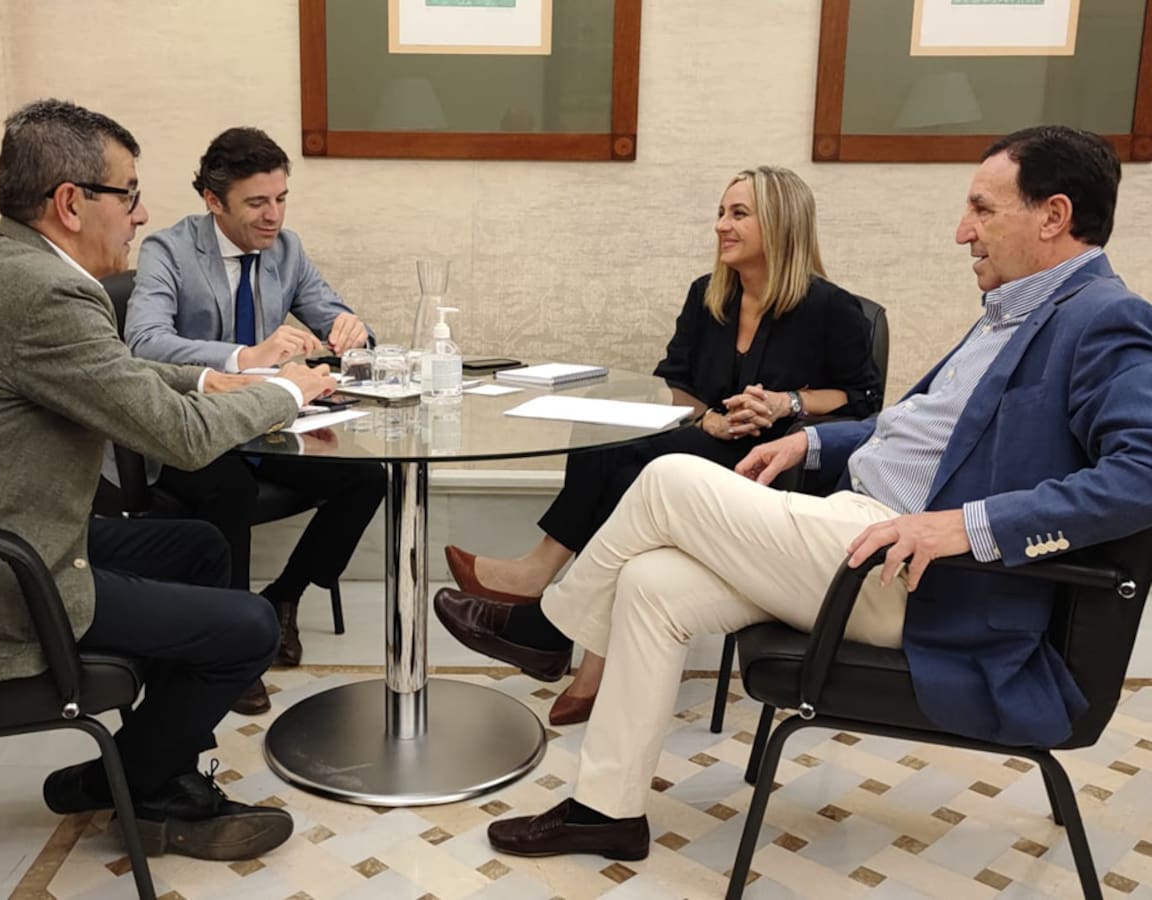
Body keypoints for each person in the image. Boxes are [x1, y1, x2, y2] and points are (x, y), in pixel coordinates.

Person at [433, 125, 1152, 860]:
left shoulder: (1103, 317)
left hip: (921, 577)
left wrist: (963, 527)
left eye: (982, 209)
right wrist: (810, 441)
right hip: (852, 528)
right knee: (650, 584)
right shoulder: (1012, 313)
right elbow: (910, 429)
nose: (961, 231)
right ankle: (606, 812)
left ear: (1053, 216)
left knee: (670, 478)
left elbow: (1142, 475)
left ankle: (549, 627)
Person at [0, 99, 338, 860]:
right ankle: (136, 782)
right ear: (70, 203)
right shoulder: (47, 293)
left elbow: (112, 370)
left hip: (16, 531)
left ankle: (152, 773)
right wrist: (289, 391)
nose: (140, 214)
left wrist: (207, 379)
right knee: (249, 630)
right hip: (4, 575)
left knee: (197, 547)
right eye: (127, 194)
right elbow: (183, 443)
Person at [444, 166, 882, 724]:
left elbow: (863, 400)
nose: (721, 225)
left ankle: (556, 623)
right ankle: (552, 602)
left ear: (780, 223)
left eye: (738, 214)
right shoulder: (709, 295)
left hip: (773, 464)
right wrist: (708, 419)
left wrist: (786, 403)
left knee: (638, 475)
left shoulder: (830, 309)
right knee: (602, 431)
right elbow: (672, 380)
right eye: (721, 213)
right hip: (707, 439)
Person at [123, 127, 386, 681]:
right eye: (257, 203)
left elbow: (334, 316)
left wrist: (351, 329)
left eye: (282, 198)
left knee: (366, 477)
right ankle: (230, 648)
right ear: (213, 201)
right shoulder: (168, 250)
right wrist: (244, 357)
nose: (274, 216)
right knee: (231, 489)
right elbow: (142, 343)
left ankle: (283, 597)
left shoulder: (286, 250)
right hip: (189, 430)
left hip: (264, 424)